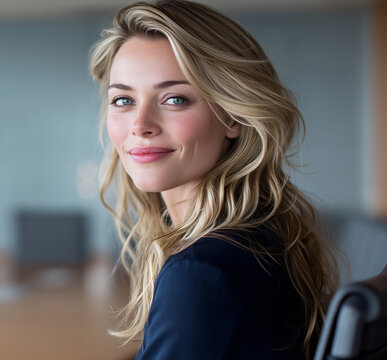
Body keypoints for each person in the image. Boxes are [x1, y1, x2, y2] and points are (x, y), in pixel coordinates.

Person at [89, 1, 339, 359]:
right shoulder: (265, 233)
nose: (140, 124)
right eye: (123, 99)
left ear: (232, 116)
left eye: (175, 99)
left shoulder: (200, 273)